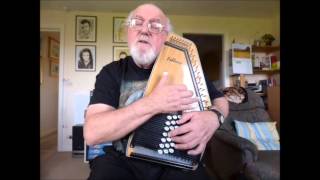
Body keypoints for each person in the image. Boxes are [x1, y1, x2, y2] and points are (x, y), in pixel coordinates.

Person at [84, 3, 229, 180]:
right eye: (137, 23)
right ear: (128, 33)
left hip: (176, 161)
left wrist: (214, 117)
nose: (145, 30)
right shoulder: (111, 72)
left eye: (155, 25)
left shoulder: (188, 68)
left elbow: (220, 100)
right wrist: (153, 103)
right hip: (121, 160)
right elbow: (92, 134)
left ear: (166, 37)